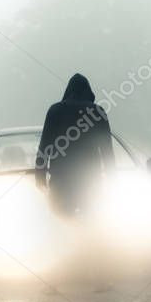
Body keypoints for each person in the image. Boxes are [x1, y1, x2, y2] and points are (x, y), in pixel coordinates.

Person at [35, 73, 114, 217]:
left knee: (61, 225)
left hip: (61, 182)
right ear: (88, 92)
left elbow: (45, 147)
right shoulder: (98, 112)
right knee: (92, 225)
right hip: (90, 183)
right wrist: (112, 178)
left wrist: (40, 176)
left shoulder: (55, 111)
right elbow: (107, 150)